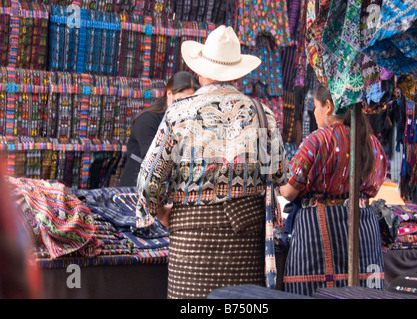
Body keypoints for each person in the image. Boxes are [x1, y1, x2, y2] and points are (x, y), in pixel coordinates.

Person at [135, 25, 288, 299]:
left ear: (200, 71)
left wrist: (160, 214)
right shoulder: (263, 114)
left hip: (190, 239)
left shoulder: (178, 113)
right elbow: (278, 174)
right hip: (246, 239)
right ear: (238, 74)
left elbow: (149, 180)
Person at [279, 85, 387, 296]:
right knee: (361, 292)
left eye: (315, 107)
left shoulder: (317, 140)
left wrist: (279, 184)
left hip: (318, 230)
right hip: (362, 228)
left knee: (313, 290)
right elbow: (375, 186)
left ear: (328, 106)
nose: (315, 113)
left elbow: (290, 192)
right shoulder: (372, 142)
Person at [119, 71, 200, 187]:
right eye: (181, 100)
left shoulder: (188, 122)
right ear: (169, 95)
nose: (185, 107)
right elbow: (153, 162)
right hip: (137, 187)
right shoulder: (147, 120)